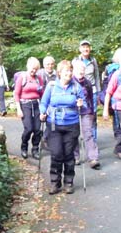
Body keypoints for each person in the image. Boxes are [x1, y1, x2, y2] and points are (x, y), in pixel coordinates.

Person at [39, 60, 85, 194]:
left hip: (72, 125)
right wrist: (42, 112)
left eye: (70, 71)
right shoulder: (52, 86)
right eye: (66, 71)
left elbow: (84, 106)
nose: (69, 73)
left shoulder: (76, 87)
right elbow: (44, 102)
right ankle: (55, 182)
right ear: (59, 73)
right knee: (57, 153)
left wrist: (81, 104)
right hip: (54, 124)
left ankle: (68, 182)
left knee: (69, 154)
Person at [72, 61, 100, 169]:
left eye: (82, 69)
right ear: (74, 70)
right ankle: (75, 156)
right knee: (74, 134)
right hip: (73, 112)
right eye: (78, 69)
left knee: (88, 134)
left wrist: (92, 112)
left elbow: (90, 98)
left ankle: (93, 158)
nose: (81, 71)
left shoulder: (88, 83)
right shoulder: (71, 82)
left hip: (86, 111)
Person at [14, 57, 44, 160]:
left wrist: (44, 109)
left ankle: (35, 149)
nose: (34, 71)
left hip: (36, 104)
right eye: (32, 68)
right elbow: (16, 94)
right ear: (28, 66)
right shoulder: (22, 78)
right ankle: (24, 147)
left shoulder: (38, 78)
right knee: (29, 128)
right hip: (25, 105)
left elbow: (42, 93)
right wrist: (19, 109)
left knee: (37, 129)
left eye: (36, 69)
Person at [72, 40, 101, 140]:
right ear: (80, 49)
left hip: (92, 90)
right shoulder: (75, 61)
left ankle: (93, 140)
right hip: (79, 90)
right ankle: (78, 139)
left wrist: (98, 92)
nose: (85, 49)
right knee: (79, 115)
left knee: (92, 116)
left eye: (87, 47)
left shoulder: (93, 60)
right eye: (83, 47)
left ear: (90, 48)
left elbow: (96, 76)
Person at [101, 47, 121, 140]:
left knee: (117, 117)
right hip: (118, 97)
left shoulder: (108, 67)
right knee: (119, 117)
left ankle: (119, 135)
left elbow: (104, 81)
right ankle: (120, 137)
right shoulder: (118, 69)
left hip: (113, 96)